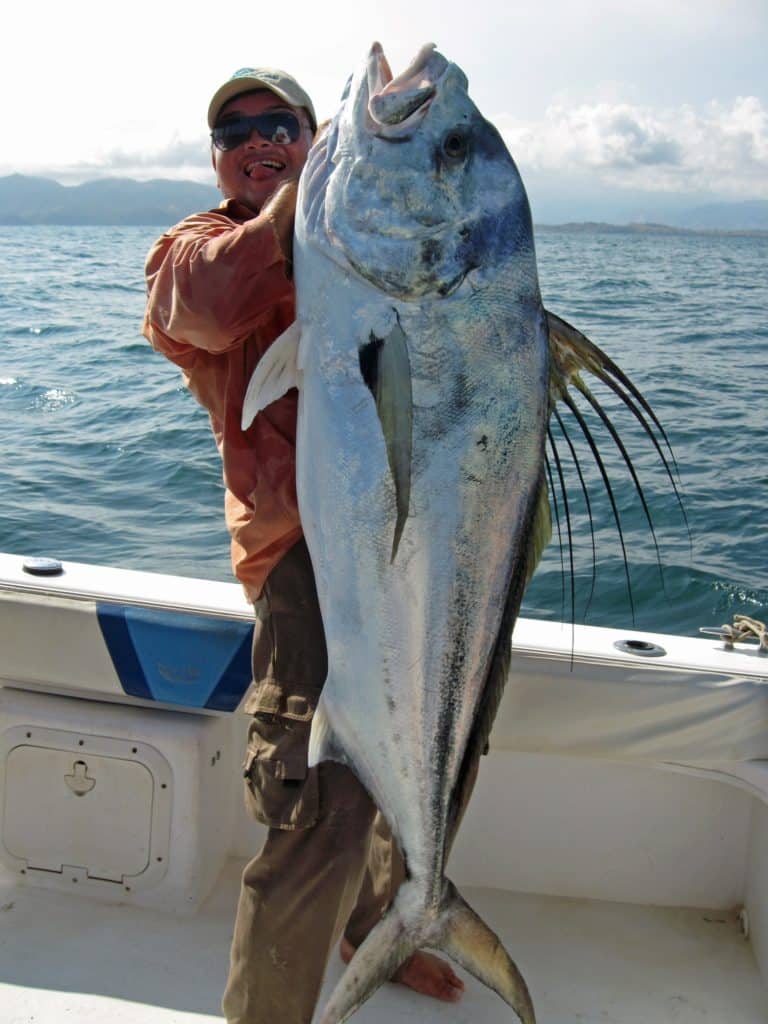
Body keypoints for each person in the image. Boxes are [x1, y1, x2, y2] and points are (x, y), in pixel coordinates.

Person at [142, 67, 465, 1024]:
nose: (256, 140)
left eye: (278, 124)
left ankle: (379, 926)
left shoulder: (364, 239)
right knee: (317, 808)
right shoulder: (200, 248)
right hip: (299, 562)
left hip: (413, 544)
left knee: (430, 756)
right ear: (216, 161)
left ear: (312, 132)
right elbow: (197, 305)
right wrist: (307, 200)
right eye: (233, 131)